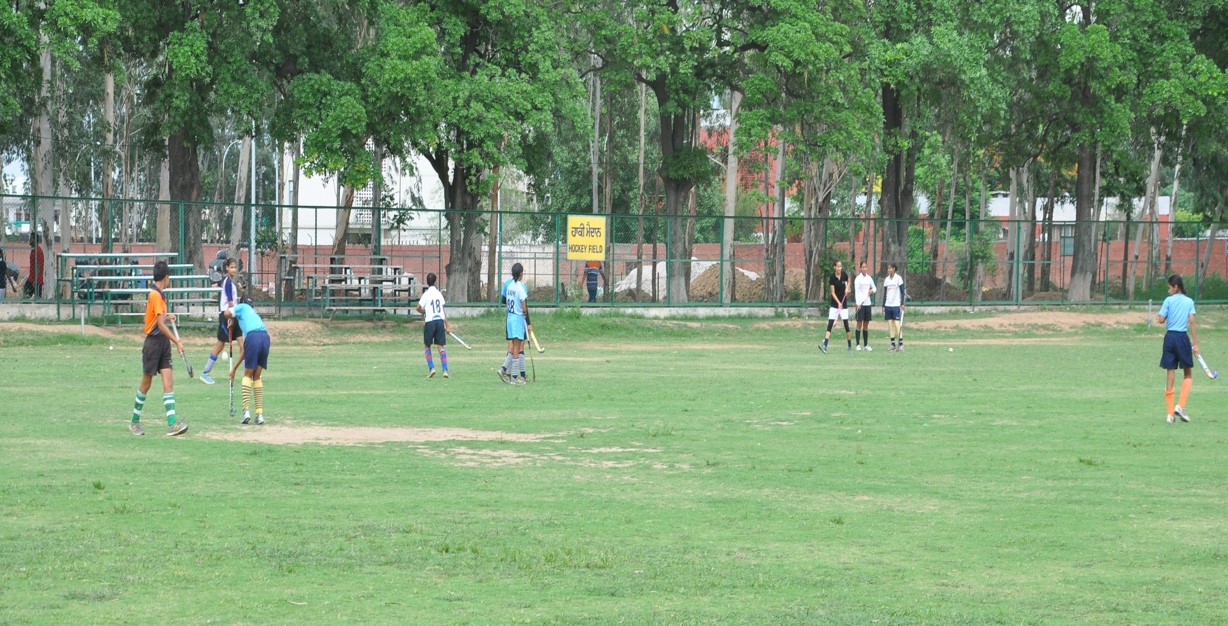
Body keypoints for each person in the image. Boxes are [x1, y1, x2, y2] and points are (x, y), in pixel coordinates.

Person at [128, 261, 189, 436]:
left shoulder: (160, 295)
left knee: (168, 382)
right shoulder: (155, 295)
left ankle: (172, 425)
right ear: (166, 277)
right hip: (153, 344)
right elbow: (159, 326)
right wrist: (177, 341)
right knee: (146, 384)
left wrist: (166, 317)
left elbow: (157, 320)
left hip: (163, 343)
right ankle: (134, 421)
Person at [1157, 274, 1199, 424]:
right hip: (1182, 338)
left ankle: (1170, 414)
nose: (1168, 290)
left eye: (1169, 287)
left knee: (1170, 373)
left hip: (1169, 338)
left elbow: (1160, 319)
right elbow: (1192, 322)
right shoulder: (1189, 301)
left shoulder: (1168, 301)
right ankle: (1180, 406)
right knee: (1187, 373)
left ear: (1176, 287)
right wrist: (1196, 344)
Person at [225, 297, 272, 424]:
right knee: (256, 377)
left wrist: (231, 317)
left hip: (253, 338)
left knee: (247, 375)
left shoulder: (243, 306)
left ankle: (246, 412)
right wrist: (234, 369)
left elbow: (226, 313)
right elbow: (244, 351)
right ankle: (259, 414)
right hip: (265, 338)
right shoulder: (253, 317)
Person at [200, 257, 243, 384]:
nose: (233, 269)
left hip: (234, 316)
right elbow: (230, 302)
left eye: (235, 267)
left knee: (243, 345)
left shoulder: (232, 283)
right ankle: (205, 372)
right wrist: (232, 315)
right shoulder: (227, 282)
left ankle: (249, 372)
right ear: (227, 268)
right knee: (220, 345)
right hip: (227, 317)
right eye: (231, 267)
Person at [498, 262, 531, 384]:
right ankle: (514, 378)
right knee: (517, 348)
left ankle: (506, 370)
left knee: (513, 347)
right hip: (517, 319)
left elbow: (504, 300)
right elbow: (524, 307)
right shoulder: (520, 288)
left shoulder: (509, 286)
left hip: (510, 318)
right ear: (521, 274)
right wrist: (528, 322)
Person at [416, 272, 451, 378]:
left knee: (427, 346)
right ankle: (445, 370)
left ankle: (431, 368)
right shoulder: (439, 294)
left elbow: (418, 308)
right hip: (439, 321)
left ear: (427, 282)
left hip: (430, 321)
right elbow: (442, 310)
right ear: (435, 282)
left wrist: (424, 311)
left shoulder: (426, 295)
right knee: (441, 346)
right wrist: (447, 324)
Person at [820, 260, 852, 354]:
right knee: (830, 325)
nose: (839, 268)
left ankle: (850, 346)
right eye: (838, 266)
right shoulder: (832, 278)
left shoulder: (844, 275)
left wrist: (847, 288)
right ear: (834, 267)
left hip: (844, 305)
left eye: (840, 266)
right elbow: (833, 293)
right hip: (835, 305)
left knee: (846, 325)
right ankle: (825, 345)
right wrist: (838, 303)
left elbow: (849, 280)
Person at [881, 262, 906, 351]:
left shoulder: (898, 278)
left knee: (897, 324)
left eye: (890, 268)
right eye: (888, 268)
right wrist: (883, 305)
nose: (889, 270)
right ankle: (892, 344)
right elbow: (885, 293)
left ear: (894, 269)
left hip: (895, 305)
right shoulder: (887, 279)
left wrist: (902, 303)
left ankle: (901, 343)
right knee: (890, 324)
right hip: (888, 305)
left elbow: (902, 292)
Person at [853, 261, 877, 351]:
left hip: (868, 304)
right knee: (859, 324)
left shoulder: (869, 278)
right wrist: (857, 303)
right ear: (860, 268)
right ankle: (857, 345)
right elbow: (856, 292)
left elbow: (875, 288)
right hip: (860, 304)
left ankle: (866, 345)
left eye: (865, 267)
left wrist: (872, 291)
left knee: (866, 325)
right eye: (863, 267)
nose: (864, 268)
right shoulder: (858, 279)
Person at [26, 233, 44, 298]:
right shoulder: (33, 250)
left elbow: (38, 266)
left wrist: (35, 280)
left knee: (37, 299)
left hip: (37, 281)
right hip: (31, 279)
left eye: (31, 238)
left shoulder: (38, 251)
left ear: (34, 240)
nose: (29, 239)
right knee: (25, 295)